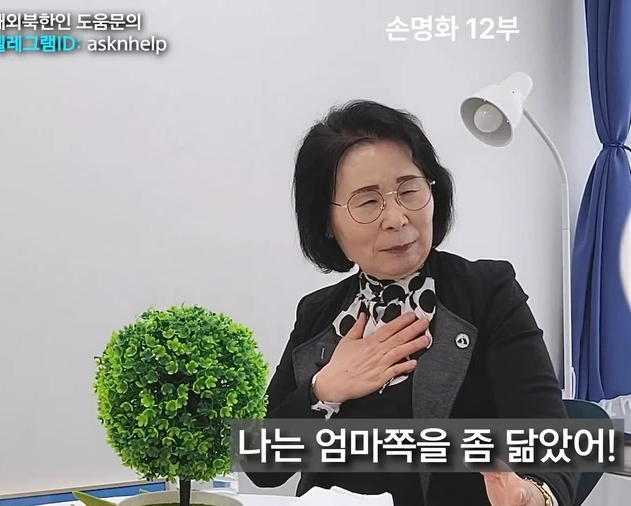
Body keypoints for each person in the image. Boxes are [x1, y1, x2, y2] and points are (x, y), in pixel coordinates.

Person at [244, 100, 578, 506]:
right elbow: (260, 464)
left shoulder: (487, 294)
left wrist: (532, 496)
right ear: (326, 223)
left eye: (409, 190)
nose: (397, 218)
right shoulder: (317, 315)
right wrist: (324, 389)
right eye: (368, 202)